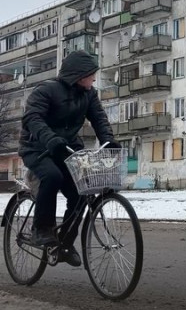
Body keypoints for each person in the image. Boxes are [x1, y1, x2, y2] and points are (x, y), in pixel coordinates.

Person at [18, 50, 120, 267]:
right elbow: (32, 118)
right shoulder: (46, 90)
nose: (94, 79)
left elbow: (99, 118)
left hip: (66, 147)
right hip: (36, 148)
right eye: (91, 74)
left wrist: (108, 141)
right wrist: (50, 139)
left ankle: (64, 243)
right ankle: (41, 230)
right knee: (52, 176)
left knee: (81, 191)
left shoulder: (89, 94)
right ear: (78, 75)